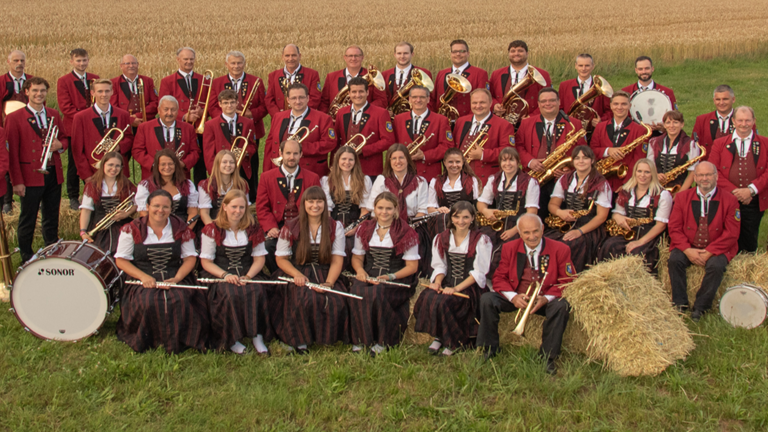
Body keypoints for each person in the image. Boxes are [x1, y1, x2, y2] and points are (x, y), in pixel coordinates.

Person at [478, 214, 575, 374]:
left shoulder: (560, 249)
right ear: (519, 232)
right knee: (487, 299)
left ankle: (548, 357)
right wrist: (513, 297)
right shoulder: (510, 247)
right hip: (518, 296)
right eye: (526, 233)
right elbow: (499, 278)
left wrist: (545, 298)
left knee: (561, 306)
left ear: (543, 229)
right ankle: (489, 349)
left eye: (535, 231)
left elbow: (568, 279)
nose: (532, 237)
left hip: (543, 298)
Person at [115, 189, 207, 354]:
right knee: (148, 301)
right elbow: (121, 260)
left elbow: (190, 259)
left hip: (175, 275)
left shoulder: (181, 228)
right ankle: (151, 340)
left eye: (165, 207)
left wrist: (177, 278)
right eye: (156, 206)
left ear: (171, 209)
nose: (160, 210)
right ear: (147, 206)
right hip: (142, 277)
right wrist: (143, 277)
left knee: (179, 299)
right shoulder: (131, 229)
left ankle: (180, 340)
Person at [272, 186, 349, 353]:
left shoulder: (335, 227)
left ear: (325, 203)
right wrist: (297, 275)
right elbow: (281, 259)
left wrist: (329, 282)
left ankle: (326, 338)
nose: (315, 205)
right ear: (304, 204)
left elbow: (337, 260)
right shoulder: (290, 226)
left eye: (319, 201)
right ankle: (299, 340)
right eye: (311, 201)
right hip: (297, 271)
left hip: (325, 271)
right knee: (303, 298)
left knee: (335, 300)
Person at [412, 201, 492, 356]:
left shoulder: (482, 240)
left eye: (465, 217)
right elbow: (440, 266)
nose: (461, 221)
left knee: (447, 301)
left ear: (473, 218)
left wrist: (455, 289)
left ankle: (454, 341)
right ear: (451, 218)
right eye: (457, 217)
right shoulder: (441, 238)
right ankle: (439, 336)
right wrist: (437, 283)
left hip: (469, 286)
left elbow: (479, 272)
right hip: (447, 283)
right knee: (428, 297)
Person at [200, 190, 271, 355]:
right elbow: (206, 262)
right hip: (220, 273)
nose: (237, 211)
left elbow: (259, 259)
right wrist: (226, 275)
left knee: (256, 290)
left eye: (241, 207)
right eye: (234, 207)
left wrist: (248, 276)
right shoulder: (212, 229)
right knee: (229, 293)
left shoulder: (252, 228)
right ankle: (231, 339)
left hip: (248, 271)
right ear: (224, 207)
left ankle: (257, 336)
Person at [349, 192, 420, 356]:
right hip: (369, 274)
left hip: (397, 277)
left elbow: (412, 266)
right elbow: (357, 258)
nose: (384, 212)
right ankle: (361, 340)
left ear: (396, 210)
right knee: (356, 292)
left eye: (389, 208)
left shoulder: (406, 232)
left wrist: (389, 277)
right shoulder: (365, 229)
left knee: (378, 293)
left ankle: (383, 341)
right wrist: (360, 271)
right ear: (374, 208)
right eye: (380, 208)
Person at [667, 162, 740, 321]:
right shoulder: (681, 197)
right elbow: (674, 227)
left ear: (716, 176)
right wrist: (687, 250)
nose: (704, 178)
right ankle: (680, 303)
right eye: (700, 175)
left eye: (708, 175)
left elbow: (732, 233)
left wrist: (710, 252)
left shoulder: (730, 200)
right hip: (689, 246)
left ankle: (701, 307)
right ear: (695, 177)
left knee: (716, 266)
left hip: (717, 248)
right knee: (675, 260)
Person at [6, 77, 64, 263]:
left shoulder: (53, 114)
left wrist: (60, 144)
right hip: (30, 176)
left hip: (53, 172)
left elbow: (64, 138)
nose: (39, 94)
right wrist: (17, 181)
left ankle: (51, 249)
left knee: (51, 215)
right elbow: (12, 152)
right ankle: (26, 255)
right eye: (35, 91)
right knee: (28, 217)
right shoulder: (14, 118)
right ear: (26, 92)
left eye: (42, 91)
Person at [515, 87, 586, 221]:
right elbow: (517, 146)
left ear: (559, 102)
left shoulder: (574, 124)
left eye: (552, 100)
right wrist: (530, 161)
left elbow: (583, 151)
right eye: (544, 101)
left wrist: (569, 170)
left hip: (562, 180)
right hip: (535, 178)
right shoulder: (526, 123)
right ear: (539, 104)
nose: (548, 104)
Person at [708, 106, 768, 253]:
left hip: (753, 199)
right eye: (740, 120)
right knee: (725, 235)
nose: (744, 124)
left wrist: (751, 190)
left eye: (748, 120)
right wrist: (735, 192)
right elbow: (712, 170)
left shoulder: (765, 143)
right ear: (733, 121)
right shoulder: (720, 143)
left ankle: (746, 268)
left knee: (749, 236)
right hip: (726, 198)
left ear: (754, 121)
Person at [256, 139, 321, 273]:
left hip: (303, 225)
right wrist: (271, 227)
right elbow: (262, 207)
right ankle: (278, 275)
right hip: (277, 226)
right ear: (281, 153)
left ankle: (300, 273)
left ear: (301, 154)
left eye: (295, 153)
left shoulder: (312, 178)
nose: (291, 157)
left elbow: (316, 206)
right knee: (267, 247)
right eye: (288, 153)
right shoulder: (266, 177)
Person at [545, 145, 611, 272]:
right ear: (573, 161)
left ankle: (567, 278)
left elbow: (601, 216)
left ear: (592, 161)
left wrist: (579, 232)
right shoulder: (565, 179)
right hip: (566, 222)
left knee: (568, 245)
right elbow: (552, 205)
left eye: (585, 158)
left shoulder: (601, 183)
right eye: (577, 158)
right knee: (547, 242)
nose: (581, 161)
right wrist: (560, 212)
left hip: (588, 228)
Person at [365, 144, 430, 275]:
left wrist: (406, 229)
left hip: (412, 225)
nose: (398, 161)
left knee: (414, 239)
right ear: (389, 161)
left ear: (408, 160)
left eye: (401, 157)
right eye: (393, 158)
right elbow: (373, 207)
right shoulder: (381, 180)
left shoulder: (420, 181)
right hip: (385, 223)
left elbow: (423, 209)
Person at [597, 158, 672, 271]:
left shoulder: (663, 195)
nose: (642, 175)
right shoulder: (626, 191)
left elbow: (660, 225)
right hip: (628, 231)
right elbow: (616, 213)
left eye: (647, 172)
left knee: (637, 253)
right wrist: (618, 217)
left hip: (648, 235)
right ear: (635, 172)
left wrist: (639, 242)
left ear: (653, 174)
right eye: (639, 171)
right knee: (609, 246)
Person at [477, 147, 540, 276]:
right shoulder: (494, 179)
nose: (508, 164)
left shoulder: (530, 182)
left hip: (518, 225)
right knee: (481, 241)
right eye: (504, 160)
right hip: (497, 222)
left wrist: (515, 230)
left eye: (511, 160)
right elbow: (481, 203)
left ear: (518, 162)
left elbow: (532, 212)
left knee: (503, 250)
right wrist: (485, 211)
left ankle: (499, 281)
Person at [209, 51, 267, 189]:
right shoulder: (217, 82)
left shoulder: (256, 81)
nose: (236, 66)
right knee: (225, 161)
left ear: (244, 64)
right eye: (233, 63)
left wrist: (251, 114)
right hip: (224, 129)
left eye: (239, 63)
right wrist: (227, 117)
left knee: (250, 163)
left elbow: (264, 106)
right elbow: (212, 106)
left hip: (249, 128)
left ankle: (250, 194)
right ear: (226, 65)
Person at [158, 47, 207, 187]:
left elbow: (211, 102)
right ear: (178, 60)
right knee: (181, 158)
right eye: (185, 59)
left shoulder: (204, 79)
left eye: (191, 59)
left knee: (200, 162)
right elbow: (163, 104)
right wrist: (185, 116)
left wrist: (202, 111)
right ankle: (179, 187)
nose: (189, 62)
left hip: (199, 126)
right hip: (179, 126)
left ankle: (199, 190)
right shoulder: (167, 81)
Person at [57, 48, 99, 209]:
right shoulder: (64, 81)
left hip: (93, 128)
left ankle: (93, 193)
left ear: (88, 60)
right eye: (78, 60)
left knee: (93, 160)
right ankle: (73, 196)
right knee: (74, 163)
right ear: (72, 62)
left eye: (84, 60)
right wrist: (86, 118)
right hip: (74, 127)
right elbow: (66, 107)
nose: (82, 63)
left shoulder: (95, 79)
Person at [263, 83, 335, 177]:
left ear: (308, 98)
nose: (298, 101)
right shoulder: (278, 117)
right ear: (288, 100)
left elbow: (329, 143)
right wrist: (267, 171)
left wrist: (301, 147)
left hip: (310, 170)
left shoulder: (323, 118)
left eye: (301, 97)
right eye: (293, 98)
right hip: (280, 169)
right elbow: (270, 144)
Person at [71, 78, 133, 181]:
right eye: (100, 91)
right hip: (93, 170)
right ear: (92, 93)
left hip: (118, 169)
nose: (104, 94)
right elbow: (77, 150)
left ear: (112, 92)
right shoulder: (81, 117)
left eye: (107, 91)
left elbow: (129, 139)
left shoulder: (123, 114)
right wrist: (86, 175)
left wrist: (118, 147)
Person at [590, 91, 651, 192]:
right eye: (616, 104)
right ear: (611, 106)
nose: (619, 107)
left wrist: (627, 184)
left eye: (624, 104)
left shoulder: (640, 130)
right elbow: (592, 151)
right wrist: (608, 151)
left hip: (625, 183)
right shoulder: (600, 127)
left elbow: (639, 160)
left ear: (629, 105)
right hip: (601, 180)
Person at [321, 146, 372, 267]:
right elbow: (327, 211)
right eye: (343, 159)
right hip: (334, 223)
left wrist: (355, 228)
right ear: (337, 160)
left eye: (351, 159)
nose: (347, 162)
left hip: (357, 223)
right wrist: (332, 229)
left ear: (355, 162)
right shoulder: (326, 181)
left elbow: (365, 211)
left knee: (353, 243)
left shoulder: (364, 180)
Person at [334, 77, 395, 176]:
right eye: (354, 92)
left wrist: (363, 150)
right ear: (349, 93)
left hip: (370, 169)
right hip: (344, 168)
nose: (357, 95)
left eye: (361, 91)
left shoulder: (381, 113)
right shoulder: (341, 112)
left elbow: (388, 141)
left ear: (367, 92)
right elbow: (337, 140)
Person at [201, 89, 257, 198]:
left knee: (242, 195)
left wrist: (244, 152)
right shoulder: (211, 125)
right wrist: (213, 173)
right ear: (220, 104)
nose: (229, 106)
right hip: (222, 168)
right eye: (225, 103)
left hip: (242, 167)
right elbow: (208, 152)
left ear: (237, 103)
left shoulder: (248, 122)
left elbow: (252, 145)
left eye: (232, 102)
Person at [393, 85, 453, 183]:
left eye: (422, 97)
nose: (418, 100)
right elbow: (393, 145)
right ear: (409, 99)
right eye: (414, 97)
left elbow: (447, 146)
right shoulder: (398, 119)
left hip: (429, 174)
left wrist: (424, 155)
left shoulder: (441, 120)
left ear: (428, 99)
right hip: (403, 173)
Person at [453, 89, 515, 184]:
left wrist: (483, 154)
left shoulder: (504, 125)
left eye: (482, 102)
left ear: (490, 103)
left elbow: (509, 152)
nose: (478, 106)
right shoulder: (461, 121)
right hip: (460, 177)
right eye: (474, 103)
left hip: (487, 180)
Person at [79, 152, 137, 254]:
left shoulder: (126, 184)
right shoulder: (92, 185)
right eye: (110, 165)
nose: (114, 169)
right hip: (99, 226)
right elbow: (86, 210)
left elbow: (137, 203)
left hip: (122, 224)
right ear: (103, 165)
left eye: (117, 166)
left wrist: (126, 213)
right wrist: (83, 231)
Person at [132, 95, 200, 180]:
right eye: (166, 109)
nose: (169, 113)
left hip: (180, 177)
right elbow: (137, 151)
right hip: (153, 177)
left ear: (178, 111)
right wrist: (155, 164)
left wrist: (183, 164)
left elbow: (195, 151)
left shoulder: (188, 128)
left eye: (173, 110)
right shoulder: (144, 127)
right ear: (159, 110)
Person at [490, 40, 552, 125]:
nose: (516, 53)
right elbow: (489, 95)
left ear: (527, 53)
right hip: (502, 122)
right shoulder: (496, 74)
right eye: (513, 51)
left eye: (520, 51)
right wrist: (494, 105)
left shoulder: (542, 74)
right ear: (509, 54)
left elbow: (548, 99)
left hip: (531, 122)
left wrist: (533, 116)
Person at [1, 50, 33, 213]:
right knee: (8, 161)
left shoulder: (32, 80)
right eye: (16, 60)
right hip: (7, 128)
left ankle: (33, 196)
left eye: (22, 60)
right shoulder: (1, 82)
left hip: (29, 128)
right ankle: (8, 201)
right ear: (9, 62)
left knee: (30, 161)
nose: (19, 64)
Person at [430, 39, 489, 125]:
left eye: (462, 51)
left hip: (466, 123)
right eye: (455, 51)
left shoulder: (480, 74)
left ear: (468, 53)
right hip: (442, 122)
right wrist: (434, 119)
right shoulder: (441, 73)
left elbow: (483, 100)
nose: (458, 54)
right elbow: (434, 98)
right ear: (451, 54)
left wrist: (467, 122)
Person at [135, 149, 199, 228]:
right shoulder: (145, 186)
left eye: (170, 164)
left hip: (183, 228)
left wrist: (186, 232)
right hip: (155, 229)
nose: (167, 167)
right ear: (157, 166)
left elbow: (193, 212)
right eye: (163, 164)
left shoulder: (187, 184)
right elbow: (144, 213)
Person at [693, 85, 756, 161]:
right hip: (709, 167)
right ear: (714, 100)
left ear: (733, 99)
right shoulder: (702, 120)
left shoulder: (745, 121)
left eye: (725, 99)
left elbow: (753, 145)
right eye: (718, 99)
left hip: (735, 166)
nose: (721, 103)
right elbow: (694, 147)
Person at [427, 148, 481, 234]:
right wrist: (439, 210)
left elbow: (477, 207)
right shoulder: (435, 182)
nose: (454, 165)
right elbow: (430, 210)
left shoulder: (472, 181)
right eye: (450, 162)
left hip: (466, 225)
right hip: (444, 225)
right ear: (444, 163)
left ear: (463, 162)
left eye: (458, 162)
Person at [318, 45, 386, 114]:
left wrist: (363, 109)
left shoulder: (372, 76)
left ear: (362, 57)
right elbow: (324, 102)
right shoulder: (331, 77)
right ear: (345, 58)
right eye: (350, 56)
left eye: (357, 56)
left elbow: (382, 100)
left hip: (365, 120)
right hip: (337, 122)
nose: (353, 59)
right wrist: (328, 119)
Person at [646, 111, 699, 195]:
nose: (671, 126)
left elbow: (693, 172)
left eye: (675, 122)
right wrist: (656, 175)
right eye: (668, 122)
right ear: (664, 125)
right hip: (657, 189)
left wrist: (680, 194)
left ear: (682, 124)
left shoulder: (691, 144)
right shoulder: (653, 142)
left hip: (680, 190)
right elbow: (649, 165)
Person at [558, 53, 611, 135]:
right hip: (571, 130)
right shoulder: (564, 85)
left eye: (587, 65)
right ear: (575, 66)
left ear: (593, 66)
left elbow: (609, 111)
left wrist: (601, 120)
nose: (583, 68)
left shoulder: (602, 87)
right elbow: (559, 108)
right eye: (580, 65)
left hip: (594, 131)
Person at [265, 44, 321, 116]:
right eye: (287, 56)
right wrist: (279, 116)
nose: (290, 59)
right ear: (282, 57)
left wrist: (299, 114)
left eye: (294, 55)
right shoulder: (273, 76)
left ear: (299, 56)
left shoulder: (312, 74)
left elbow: (315, 99)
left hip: (304, 118)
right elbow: (269, 100)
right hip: (280, 120)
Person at [382, 41, 433, 117]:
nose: (402, 56)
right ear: (394, 55)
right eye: (399, 53)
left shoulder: (423, 73)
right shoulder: (385, 74)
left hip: (413, 118)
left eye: (406, 53)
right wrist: (385, 112)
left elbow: (429, 99)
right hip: (390, 119)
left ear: (412, 54)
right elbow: (382, 98)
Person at [198, 150, 249, 225]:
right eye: (224, 162)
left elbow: (245, 210)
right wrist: (214, 230)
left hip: (237, 225)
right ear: (217, 164)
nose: (228, 165)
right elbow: (204, 213)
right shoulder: (206, 185)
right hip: (214, 224)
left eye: (231, 162)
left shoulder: (241, 184)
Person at [110, 54, 159, 129]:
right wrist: (130, 120)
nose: (131, 66)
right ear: (121, 66)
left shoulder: (148, 81)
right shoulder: (114, 83)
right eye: (127, 63)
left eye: (133, 63)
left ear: (138, 65)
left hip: (146, 122)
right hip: (124, 125)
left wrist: (138, 115)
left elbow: (155, 103)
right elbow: (113, 106)